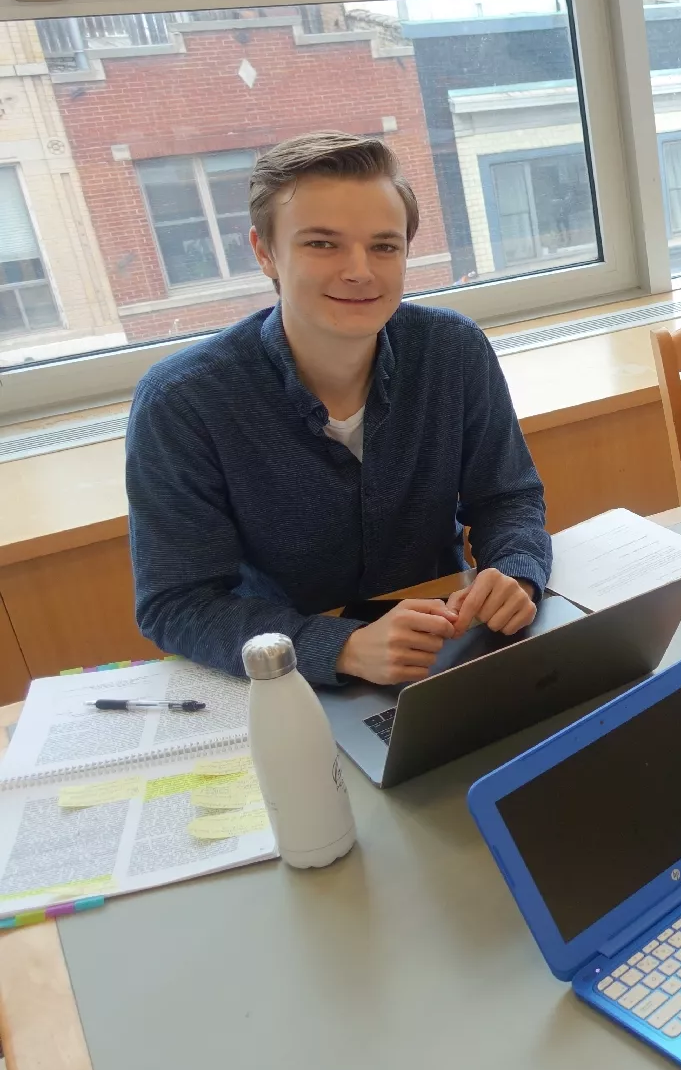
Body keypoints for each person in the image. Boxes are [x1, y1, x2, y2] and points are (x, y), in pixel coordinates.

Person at [127, 132, 552, 688]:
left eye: (384, 246)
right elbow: (177, 603)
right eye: (322, 244)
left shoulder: (454, 350)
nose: (360, 271)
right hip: (288, 675)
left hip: (446, 646)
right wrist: (341, 646)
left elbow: (508, 496)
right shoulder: (183, 401)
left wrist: (515, 572)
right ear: (264, 251)